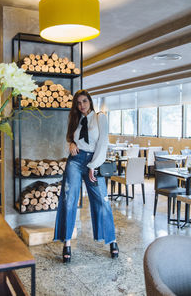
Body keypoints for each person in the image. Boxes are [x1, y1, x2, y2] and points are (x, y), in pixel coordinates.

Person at [54, 89, 119, 263]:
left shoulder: (100, 117)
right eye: (78, 103)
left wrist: (93, 165)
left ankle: (112, 240)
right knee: (69, 199)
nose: (81, 105)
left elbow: (103, 142)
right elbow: (71, 137)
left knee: (101, 200)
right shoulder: (76, 119)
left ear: (90, 101)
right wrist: (71, 144)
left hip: (93, 162)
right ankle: (67, 242)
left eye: (84, 101)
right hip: (75, 161)